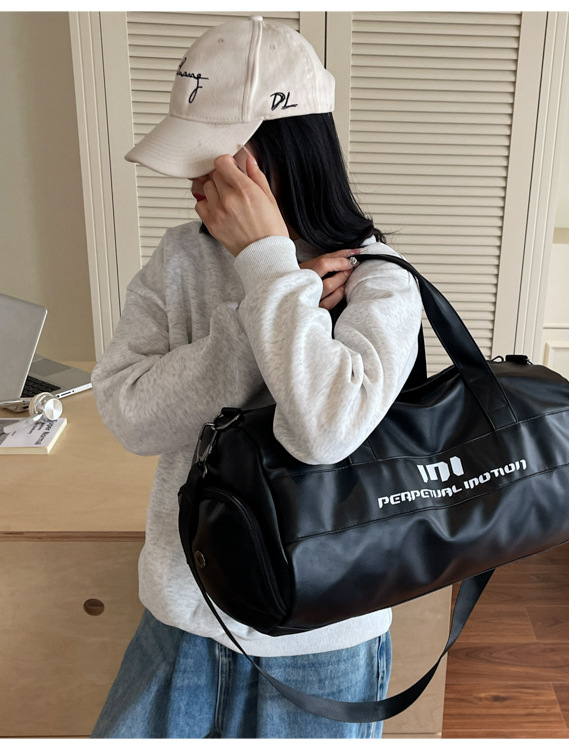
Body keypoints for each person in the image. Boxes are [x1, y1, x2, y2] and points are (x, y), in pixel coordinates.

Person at [90, 16, 422, 739]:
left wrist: (270, 269)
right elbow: (127, 414)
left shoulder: (378, 279)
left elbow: (326, 431)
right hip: (184, 615)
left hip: (326, 635)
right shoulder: (180, 260)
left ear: (278, 151)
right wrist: (255, 320)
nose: (194, 183)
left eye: (210, 159)